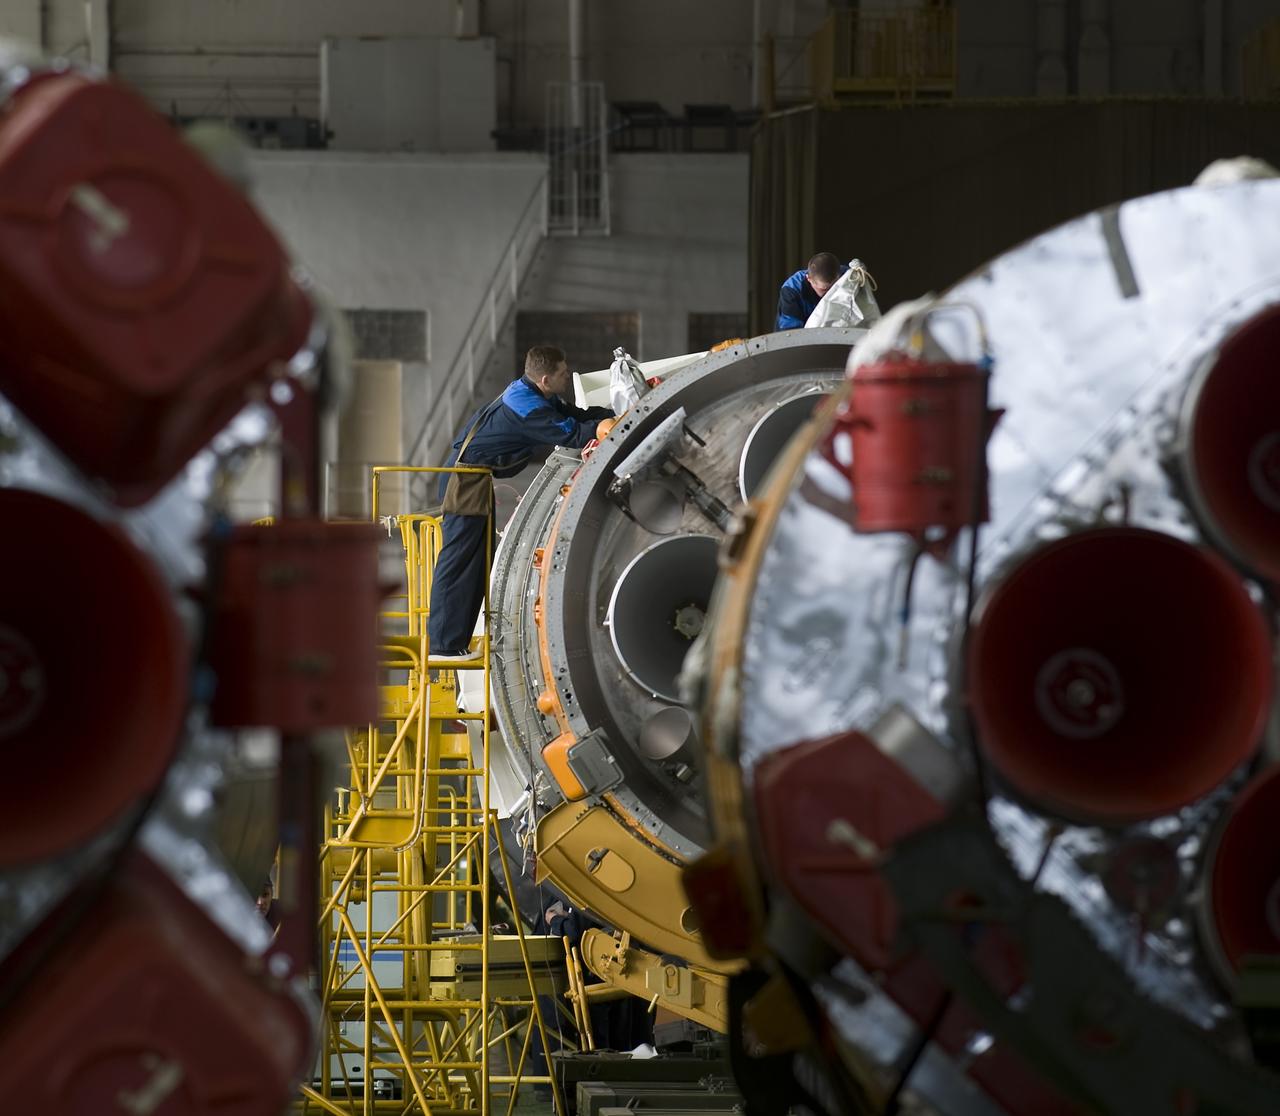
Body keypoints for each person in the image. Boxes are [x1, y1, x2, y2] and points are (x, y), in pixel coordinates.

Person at [428, 345, 614, 660]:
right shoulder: (527, 408)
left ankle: (453, 641)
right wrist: (601, 428)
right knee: (460, 561)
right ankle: (443, 645)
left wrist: (612, 416)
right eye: (562, 373)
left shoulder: (534, 393)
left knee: (478, 559)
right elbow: (569, 433)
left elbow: (574, 415)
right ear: (545, 378)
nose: (566, 376)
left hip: (473, 479)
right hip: (462, 481)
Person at [775, 251, 847, 331]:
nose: (830, 293)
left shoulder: (847, 277)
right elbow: (790, 333)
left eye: (834, 287)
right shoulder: (792, 290)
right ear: (809, 279)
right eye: (824, 289)